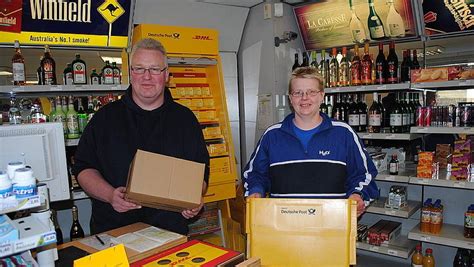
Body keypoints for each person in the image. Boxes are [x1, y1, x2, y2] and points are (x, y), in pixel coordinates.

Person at [73, 38, 209, 235]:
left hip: (169, 233)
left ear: (167, 75)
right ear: (130, 74)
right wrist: (110, 195)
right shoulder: (104, 118)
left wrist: (194, 199)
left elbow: (201, 171)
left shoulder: (185, 120)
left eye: (155, 69)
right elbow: (83, 167)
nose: (147, 77)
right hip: (114, 231)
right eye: (139, 69)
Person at [243, 67, 379, 216]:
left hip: (332, 226)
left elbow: (364, 175)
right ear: (290, 98)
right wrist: (255, 191)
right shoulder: (272, 136)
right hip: (283, 228)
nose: (304, 98)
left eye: (311, 92)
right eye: (298, 93)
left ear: (322, 96)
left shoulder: (343, 133)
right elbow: (255, 174)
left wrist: (357, 195)